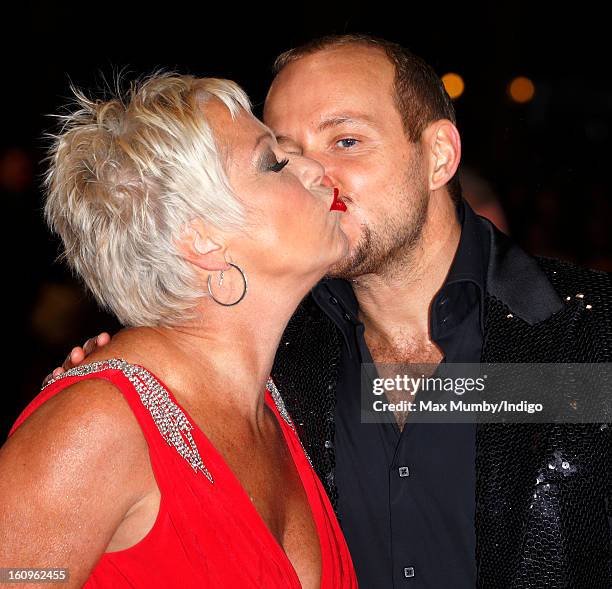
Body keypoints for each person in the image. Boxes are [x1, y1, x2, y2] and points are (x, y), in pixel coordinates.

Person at [48, 35, 612, 588]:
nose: (313, 175)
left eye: (345, 141)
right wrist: (108, 398)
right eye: (285, 155)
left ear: (438, 155)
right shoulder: (273, 362)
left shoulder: (590, 334)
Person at [0, 73, 357, 588]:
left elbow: (479, 393)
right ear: (204, 240)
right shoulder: (96, 426)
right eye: (274, 162)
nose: (314, 169)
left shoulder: (281, 400)